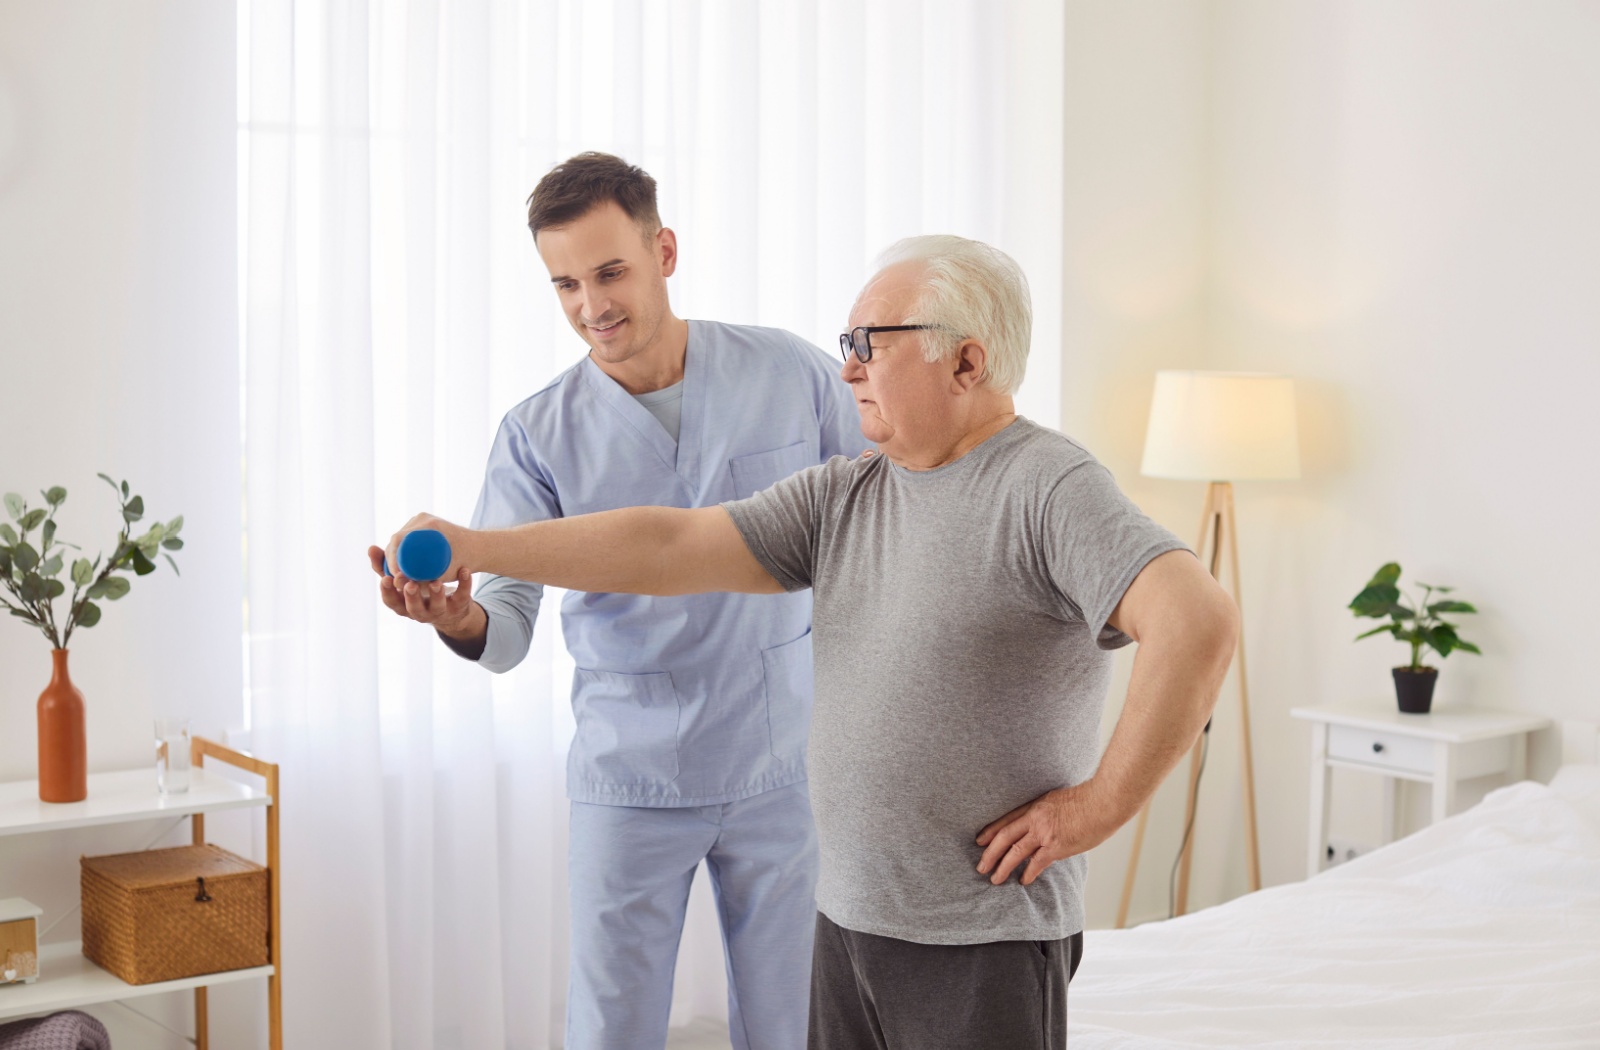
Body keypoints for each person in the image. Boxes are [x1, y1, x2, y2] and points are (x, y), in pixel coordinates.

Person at [382, 234, 1240, 1050]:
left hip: (978, 936)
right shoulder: (851, 492)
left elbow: (1197, 619)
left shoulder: (1045, 486)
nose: (849, 366)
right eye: (847, 340)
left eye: (873, 341)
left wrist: (1098, 808)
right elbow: (669, 544)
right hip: (850, 919)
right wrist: (479, 545)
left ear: (967, 361)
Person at [368, 152, 868, 1050]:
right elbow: (507, 627)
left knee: (798, 1024)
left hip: (781, 764)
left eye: (609, 272)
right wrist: (457, 617)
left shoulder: (790, 375)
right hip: (634, 777)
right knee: (612, 1028)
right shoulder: (536, 434)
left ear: (663, 251)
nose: (590, 306)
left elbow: (878, 514)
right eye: (564, 283)